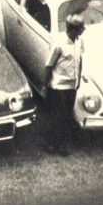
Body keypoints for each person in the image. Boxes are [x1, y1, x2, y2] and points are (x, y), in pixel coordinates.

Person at [42, 15, 85, 157]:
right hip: (58, 86)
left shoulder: (79, 42)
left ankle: (61, 145)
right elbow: (49, 65)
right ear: (73, 29)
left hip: (71, 86)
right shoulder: (59, 44)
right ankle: (52, 144)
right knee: (58, 117)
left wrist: (77, 81)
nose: (83, 30)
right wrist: (45, 85)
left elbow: (79, 60)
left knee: (66, 116)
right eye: (81, 28)